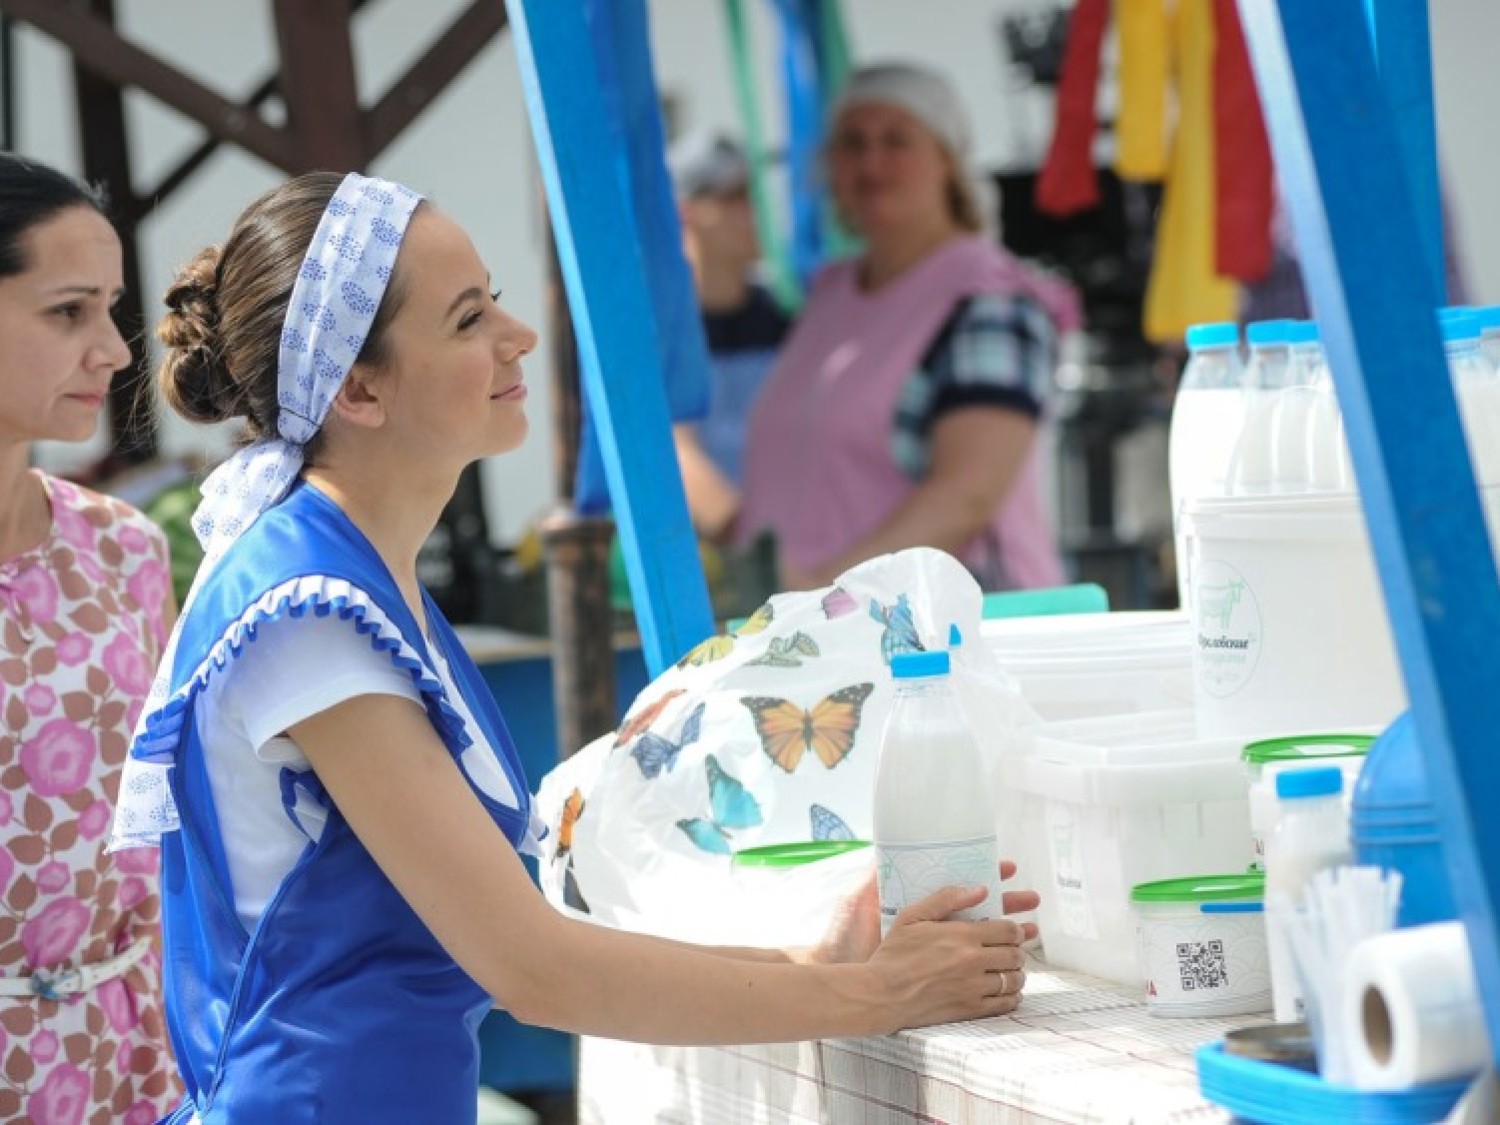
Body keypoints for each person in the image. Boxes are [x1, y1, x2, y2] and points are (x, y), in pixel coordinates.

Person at [108, 171, 1039, 1124]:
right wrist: (875, 993)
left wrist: (819, 959)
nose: (518, 336)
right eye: (469, 319)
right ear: (359, 386)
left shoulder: (348, 574)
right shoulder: (309, 613)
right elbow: (534, 967)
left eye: (495, 300)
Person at [736, 63, 1083, 592]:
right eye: (852, 143)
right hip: (813, 626)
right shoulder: (828, 296)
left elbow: (967, 496)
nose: (871, 162)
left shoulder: (990, 299)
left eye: (897, 140)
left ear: (947, 161)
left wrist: (823, 596)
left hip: (941, 629)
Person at [0, 152, 180, 1121]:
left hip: (129, 1062)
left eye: (109, 309)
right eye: (68, 311)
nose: (112, 349)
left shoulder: (125, 549)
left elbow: (167, 829)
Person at [668, 132, 790, 541]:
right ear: (686, 212)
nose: (757, 211)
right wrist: (754, 547)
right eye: (736, 197)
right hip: (702, 560)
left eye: (754, 194)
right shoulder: (659, 333)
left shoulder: (789, 316)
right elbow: (673, 451)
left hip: (794, 551)